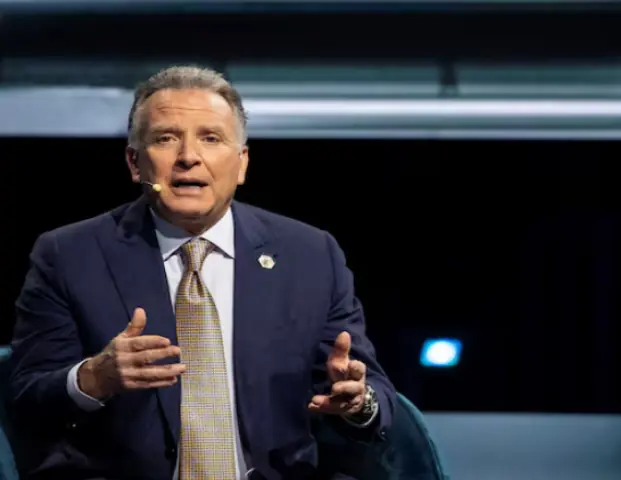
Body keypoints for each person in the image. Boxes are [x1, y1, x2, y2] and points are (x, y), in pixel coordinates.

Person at [9, 65, 396, 480]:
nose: (188, 156)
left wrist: (359, 402)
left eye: (210, 138)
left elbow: (373, 395)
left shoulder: (310, 254)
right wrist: (92, 379)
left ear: (242, 163)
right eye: (165, 138)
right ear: (135, 163)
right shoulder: (69, 254)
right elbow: (27, 400)